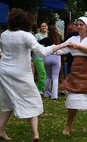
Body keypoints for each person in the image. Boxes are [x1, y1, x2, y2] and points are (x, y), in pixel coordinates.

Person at [0, 8, 66, 141]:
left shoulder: (4, 34)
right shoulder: (26, 36)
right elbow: (42, 52)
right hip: (21, 73)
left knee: (6, 103)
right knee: (33, 100)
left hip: (4, 71)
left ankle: (0, 131)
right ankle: (35, 134)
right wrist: (60, 45)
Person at [55, 17, 87, 136]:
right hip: (77, 70)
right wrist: (49, 49)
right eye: (77, 24)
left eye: (81, 25)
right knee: (72, 99)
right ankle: (68, 127)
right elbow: (61, 48)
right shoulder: (73, 38)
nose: (78, 26)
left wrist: (76, 46)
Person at [38, 25, 62, 100]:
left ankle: (46, 93)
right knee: (55, 78)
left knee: (48, 77)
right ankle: (54, 96)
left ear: (48, 32)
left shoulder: (46, 39)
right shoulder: (59, 39)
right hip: (56, 58)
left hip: (47, 58)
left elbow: (37, 43)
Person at [33, 22, 48, 94]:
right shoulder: (36, 35)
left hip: (48, 57)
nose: (44, 27)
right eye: (42, 26)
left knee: (47, 74)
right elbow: (34, 46)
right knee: (42, 73)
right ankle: (40, 90)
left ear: (47, 27)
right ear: (40, 28)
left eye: (45, 26)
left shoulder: (50, 35)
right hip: (38, 57)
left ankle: (46, 88)